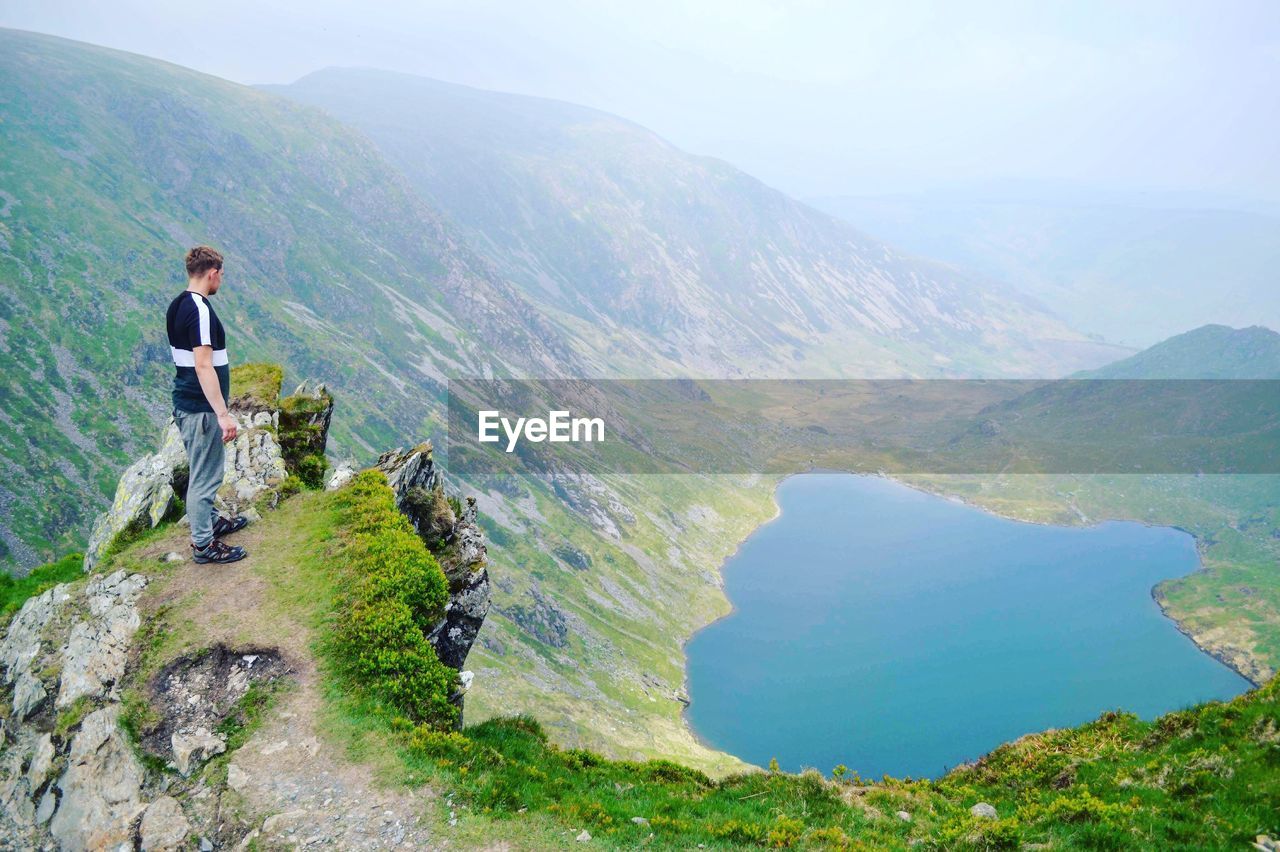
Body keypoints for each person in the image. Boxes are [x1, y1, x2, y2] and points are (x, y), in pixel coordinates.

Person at [167, 246, 249, 564]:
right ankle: (203, 545)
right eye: (222, 275)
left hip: (186, 403)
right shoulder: (199, 309)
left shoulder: (177, 305)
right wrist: (223, 414)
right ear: (212, 273)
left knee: (201, 470)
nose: (222, 281)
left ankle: (211, 522)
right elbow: (203, 365)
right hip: (201, 409)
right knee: (205, 477)